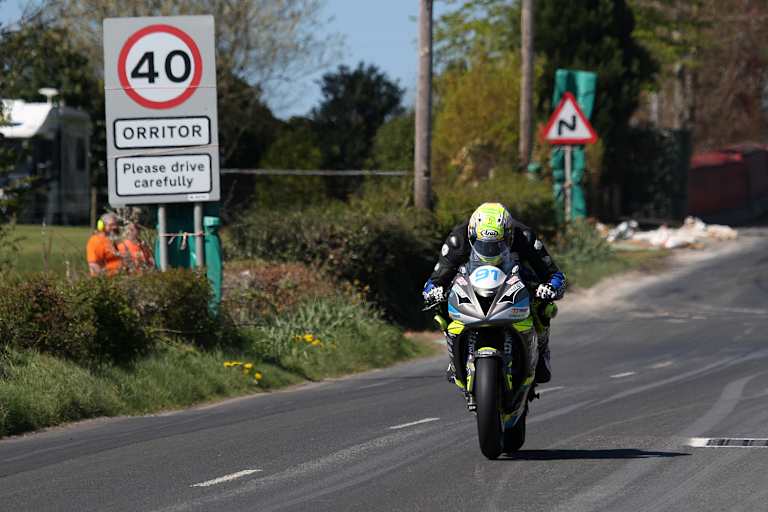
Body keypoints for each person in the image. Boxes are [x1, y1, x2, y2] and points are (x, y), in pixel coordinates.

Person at [422, 202, 566, 387]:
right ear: (472, 234)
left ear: (509, 234)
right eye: (483, 245)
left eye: (497, 244)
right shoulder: (458, 239)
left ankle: (541, 350)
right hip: (471, 286)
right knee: (440, 304)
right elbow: (435, 279)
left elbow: (554, 274)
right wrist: (433, 292)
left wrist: (550, 288)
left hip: (515, 282)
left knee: (545, 306)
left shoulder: (524, 236)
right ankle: (454, 358)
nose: (490, 250)